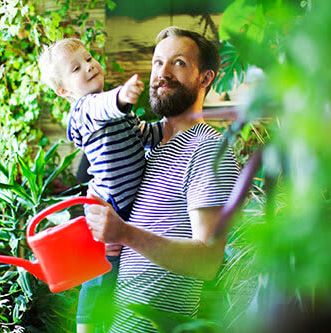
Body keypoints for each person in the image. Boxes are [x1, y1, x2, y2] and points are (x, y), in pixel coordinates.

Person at [85, 26, 240, 332]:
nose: (163, 73)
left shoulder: (208, 149)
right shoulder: (138, 140)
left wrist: (125, 233)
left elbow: (207, 262)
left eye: (179, 63)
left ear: (205, 78)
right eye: (158, 62)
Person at [38, 38, 167, 332]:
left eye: (88, 58)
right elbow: (104, 107)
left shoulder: (118, 111)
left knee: (122, 269)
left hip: (127, 204)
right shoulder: (85, 110)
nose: (89, 65)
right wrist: (122, 96)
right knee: (102, 271)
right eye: (76, 68)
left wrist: (172, 127)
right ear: (64, 91)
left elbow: (143, 135)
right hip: (109, 205)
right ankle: (85, 326)